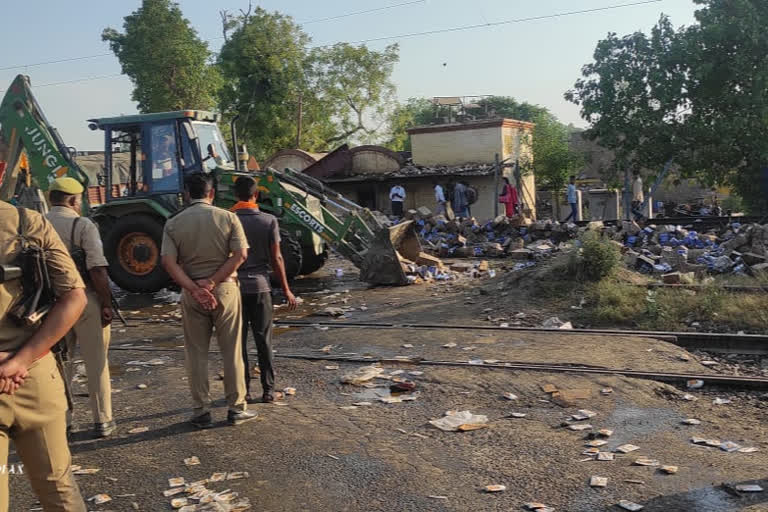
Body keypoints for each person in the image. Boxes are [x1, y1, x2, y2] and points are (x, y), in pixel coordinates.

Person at [0, 200, 88, 511]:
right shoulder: (28, 222)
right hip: (35, 375)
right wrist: (20, 361)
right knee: (59, 491)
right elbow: (75, 296)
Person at [161, 173, 255, 428]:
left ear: (187, 194)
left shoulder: (173, 223)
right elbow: (240, 255)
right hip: (225, 289)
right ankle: (236, 408)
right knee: (232, 351)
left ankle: (201, 411)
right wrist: (212, 282)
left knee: (196, 354)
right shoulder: (228, 217)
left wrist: (194, 288)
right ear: (211, 193)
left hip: (191, 294)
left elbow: (168, 262)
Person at [46, 177, 115, 438]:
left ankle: (64, 420)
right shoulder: (82, 225)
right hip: (85, 300)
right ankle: (103, 420)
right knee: (96, 362)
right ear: (75, 200)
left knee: (61, 364)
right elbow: (96, 267)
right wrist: (106, 303)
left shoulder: (36, 223)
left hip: (52, 305)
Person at [230, 177, 298, 403]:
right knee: (264, 340)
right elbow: (277, 257)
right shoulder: (268, 220)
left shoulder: (227, 220)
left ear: (234, 195)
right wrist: (287, 290)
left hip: (234, 289)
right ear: (256, 195)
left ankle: (244, 392)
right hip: (261, 287)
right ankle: (268, 391)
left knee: (238, 342)